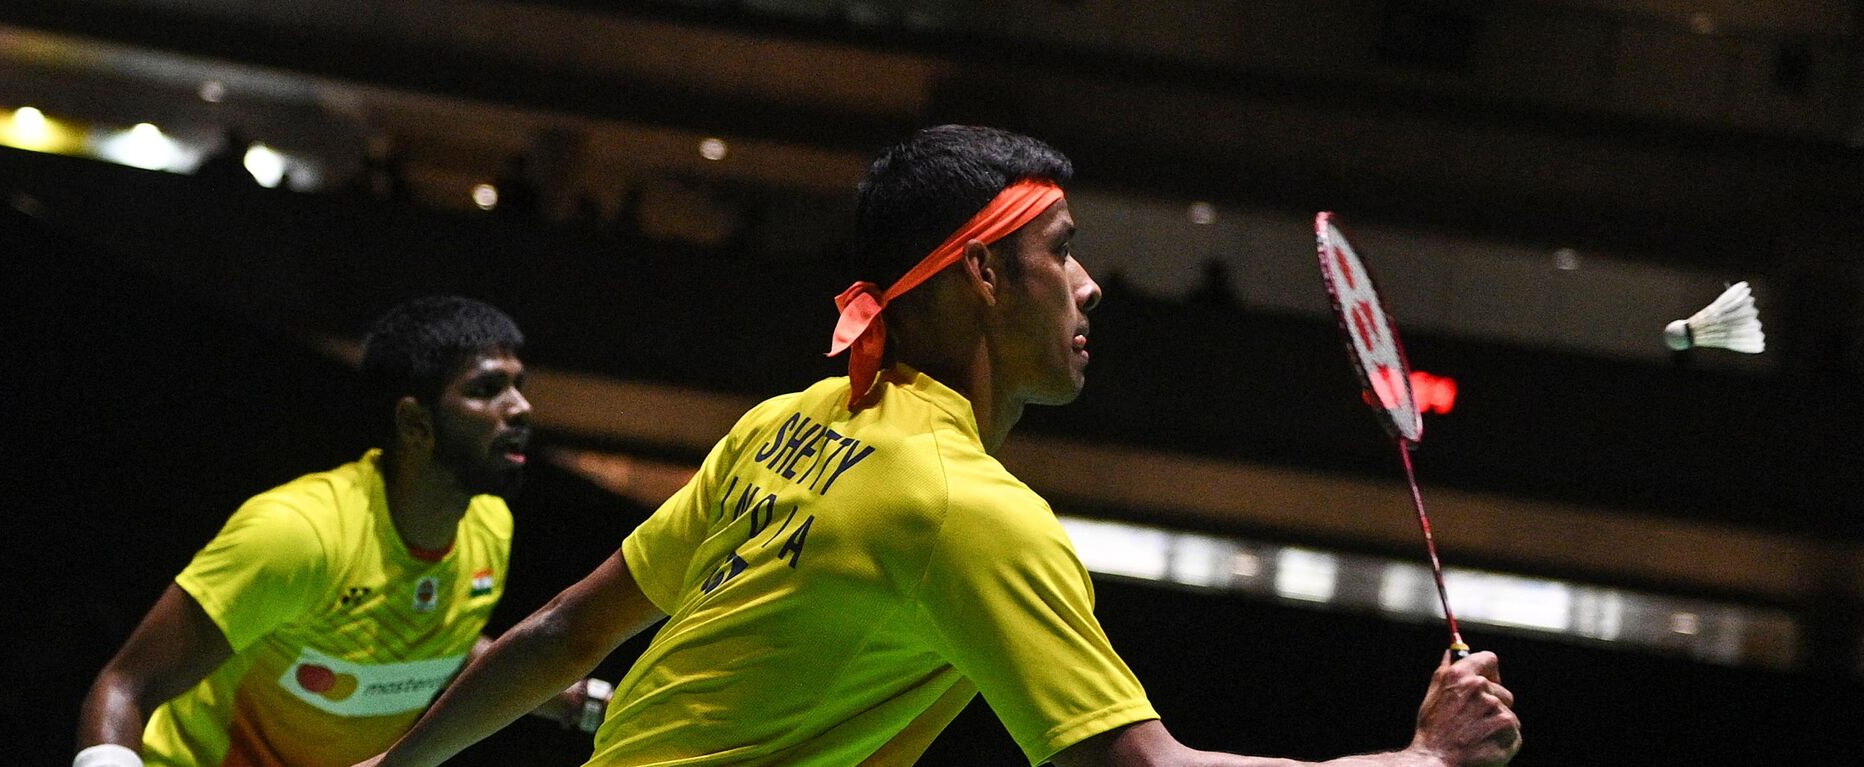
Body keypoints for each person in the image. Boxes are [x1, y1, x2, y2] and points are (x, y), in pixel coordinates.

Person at [360, 126, 1522, 767]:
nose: (1090, 285)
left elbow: (567, 628)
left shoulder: (791, 421)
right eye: (1060, 251)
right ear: (979, 272)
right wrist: (1422, 761)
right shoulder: (967, 508)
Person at [74, 296, 606, 767]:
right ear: (414, 423)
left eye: (519, 386)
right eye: (487, 389)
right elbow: (125, 687)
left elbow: (428, 635)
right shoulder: (297, 535)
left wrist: (545, 684)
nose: (521, 408)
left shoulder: (489, 528)